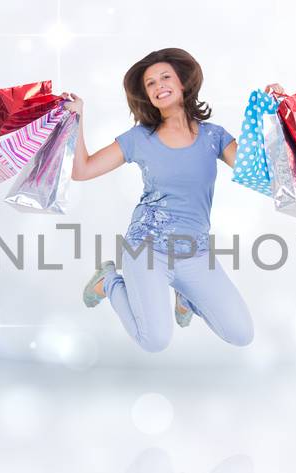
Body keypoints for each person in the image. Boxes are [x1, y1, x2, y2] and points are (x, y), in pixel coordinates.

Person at [66, 48, 263, 353]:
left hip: (195, 252)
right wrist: (77, 117)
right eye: (150, 83)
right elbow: (82, 170)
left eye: (165, 77)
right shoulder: (139, 138)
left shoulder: (214, 136)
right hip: (147, 249)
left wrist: (272, 114)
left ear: (184, 83)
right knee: (155, 341)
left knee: (241, 334)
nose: (159, 86)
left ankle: (186, 297)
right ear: (146, 95)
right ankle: (109, 282)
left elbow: (255, 172)